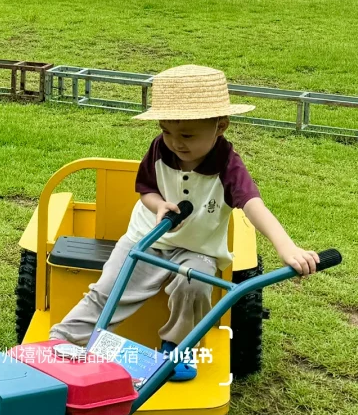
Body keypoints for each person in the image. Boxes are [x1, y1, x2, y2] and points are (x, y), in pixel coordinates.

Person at [50, 64, 319, 371]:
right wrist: (158, 205)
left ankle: (178, 347)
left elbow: (253, 206)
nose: (176, 142)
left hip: (196, 248)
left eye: (187, 134)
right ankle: (63, 341)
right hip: (146, 238)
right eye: (166, 131)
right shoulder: (159, 150)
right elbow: (146, 190)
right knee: (110, 286)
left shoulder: (229, 166)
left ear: (221, 126)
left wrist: (287, 248)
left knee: (193, 286)